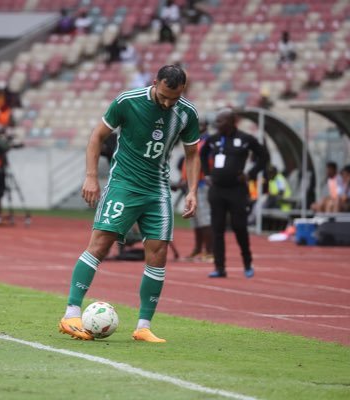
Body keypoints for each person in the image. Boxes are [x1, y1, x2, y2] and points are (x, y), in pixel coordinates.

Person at [59, 64, 200, 343]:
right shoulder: (128, 101)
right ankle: (71, 313)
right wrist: (90, 177)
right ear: (155, 83)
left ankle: (143, 326)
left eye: (174, 97)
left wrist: (193, 190)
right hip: (123, 186)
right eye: (163, 95)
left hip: (157, 191)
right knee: (100, 244)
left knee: (158, 253)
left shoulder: (187, 112)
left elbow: (193, 154)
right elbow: (97, 136)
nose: (168, 102)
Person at [200, 107, 268, 278]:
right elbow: (202, 154)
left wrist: (250, 174)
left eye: (220, 121)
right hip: (217, 190)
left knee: (239, 227)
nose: (217, 124)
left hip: (236, 190)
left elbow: (263, 156)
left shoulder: (245, 139)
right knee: (217, 229)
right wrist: (207, 174)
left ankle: (247, 262)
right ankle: (219, 267)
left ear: (231, 122)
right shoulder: (213, 140)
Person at [180, 117, 213, 260]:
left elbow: (206, 163)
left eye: (200, 124)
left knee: (205, 218)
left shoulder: (208, 142)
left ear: (206, 125)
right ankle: (198, 249)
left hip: (201, 184)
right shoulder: (194, 140)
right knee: (196, 219)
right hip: (190, 184)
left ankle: (210, 251)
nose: (198, 126)